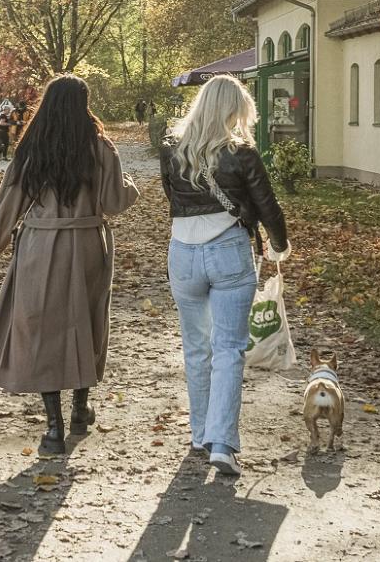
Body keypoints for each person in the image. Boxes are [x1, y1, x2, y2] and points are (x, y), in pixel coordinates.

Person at [0, 74, 140, 456]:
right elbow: (115, 201)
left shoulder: (33, 147)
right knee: (85, 322)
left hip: (40, 246)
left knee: (42, 329)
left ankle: (54, 428)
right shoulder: (100, 146)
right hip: (87, 245)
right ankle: (81, 410)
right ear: (83, 104)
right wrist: (128, 182)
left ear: (48, 104)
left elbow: (9, 199)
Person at [158, 74, 291, 475]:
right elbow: (267, 205)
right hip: (228, 250)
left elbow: (171, 197)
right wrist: (279, 244)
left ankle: (199, 432)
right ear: (234, 109)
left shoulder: (172, 151)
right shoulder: (242, 152)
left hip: (182, 252)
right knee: (229, 349)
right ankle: (221, 444)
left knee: (197, 348)